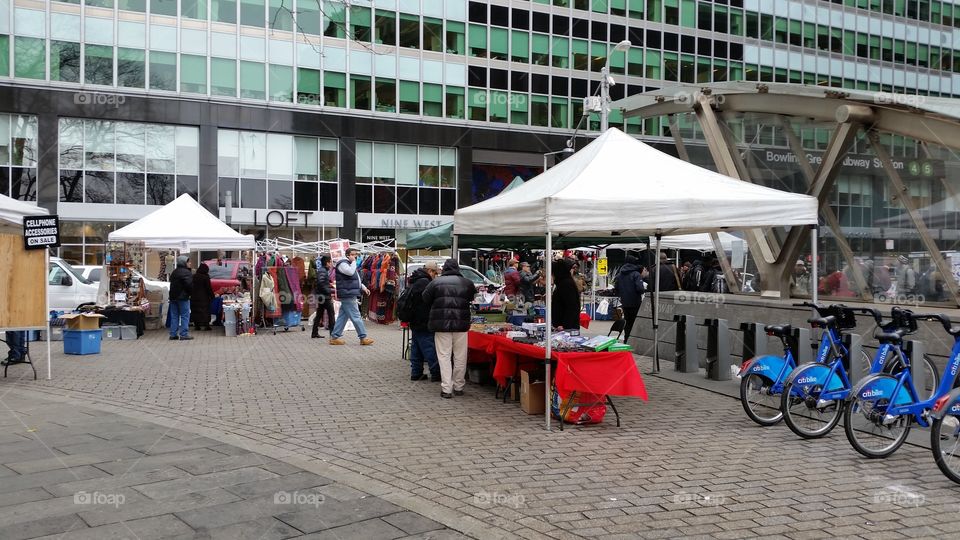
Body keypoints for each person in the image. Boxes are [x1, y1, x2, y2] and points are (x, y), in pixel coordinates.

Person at [422, 259, 476, 398]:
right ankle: (459, 386)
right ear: (457, 268)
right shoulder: (467, 282)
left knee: (444, 356)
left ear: (444, 268)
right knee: (460, 356)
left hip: (441, 324)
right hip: (461, 324)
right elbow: (471, 298)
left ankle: (446, 388)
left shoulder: (435, 282)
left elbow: (425, 298)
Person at [329, 248, 374, 346]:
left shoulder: (348, 263)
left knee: (342, 317)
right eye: (353, 254)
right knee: (356, 316)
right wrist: (353, 262)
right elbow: (350, 272)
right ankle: (363, 337)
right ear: (347, 255)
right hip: (347, 294)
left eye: (356, 254)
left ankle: (335, 337)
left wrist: (363, 287)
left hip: (348, 293)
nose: (355, 256)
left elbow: (356, 279)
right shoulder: (343, 264)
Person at [407, 261, 441, 382]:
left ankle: (416, 372)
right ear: (430, 271)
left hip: (414, 318)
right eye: (435, 273)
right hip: (423, 318)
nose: (435, 276)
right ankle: (436, 372)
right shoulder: (425, 282)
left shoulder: (415, 279)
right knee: (429, 347)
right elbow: (428, 301)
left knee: (416, 346)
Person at [614, 255, 647, 343]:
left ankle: (626, 339)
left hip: (625, 302)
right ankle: (634, 340)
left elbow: (616, 288)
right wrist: (643, 290)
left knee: (627, 322)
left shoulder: (620, 274)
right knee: (634, 322)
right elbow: (640, 288)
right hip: (635, 302)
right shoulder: (636, 274)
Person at [168, 255, 194, 341]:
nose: (190, 263)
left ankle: (173, 334)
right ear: (184, 263)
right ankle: (183, 334)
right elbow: (189, 285)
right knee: (185, 316)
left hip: (173, 297)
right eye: (188, 262)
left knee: (174, 316)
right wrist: (190, 294)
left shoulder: (174, 272)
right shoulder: (186, 272)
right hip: (183, 297)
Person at [551, 258, 581, 331]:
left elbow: (572, 306)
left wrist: (565, 325)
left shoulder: (566, 284)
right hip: (563, 325)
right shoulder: (562, 283)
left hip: (566, 327)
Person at [311, 256, 335, 339]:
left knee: (319, 314)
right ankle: (333, 334)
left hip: (321, 296)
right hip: (325, 296)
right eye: (330, 262)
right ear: (327, 263)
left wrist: (328, 285)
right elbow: (321, 283)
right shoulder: (323, 271)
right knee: (331, 314)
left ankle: (314, 333)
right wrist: (329, 291)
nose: (331, 264)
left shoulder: (322, 270)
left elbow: (322, 282)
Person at [190, 263, 215, 331]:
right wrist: (212, 296)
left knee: (195, 311)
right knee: (205, 311)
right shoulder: (205, 277)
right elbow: (208, 288)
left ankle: (197, 325)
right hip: (204, 297)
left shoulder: (194, 276)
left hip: (194, 297)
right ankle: (206, 325)